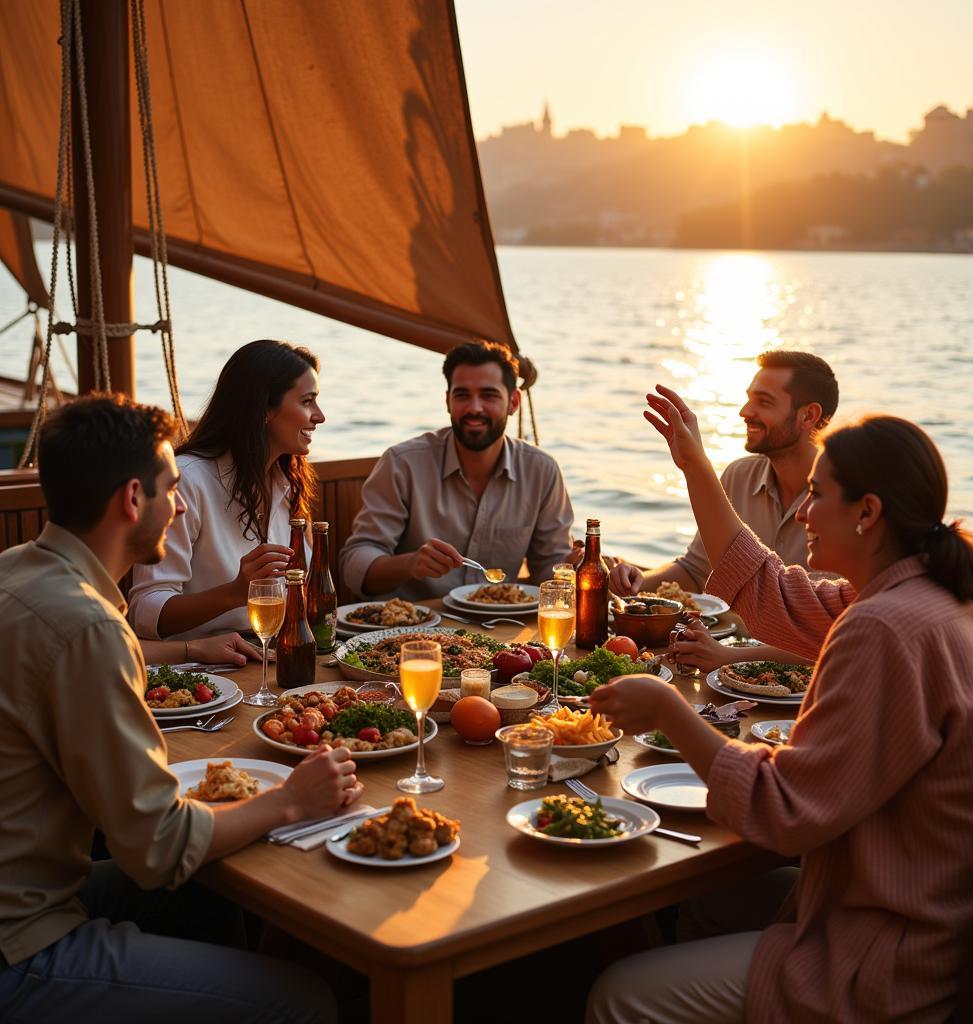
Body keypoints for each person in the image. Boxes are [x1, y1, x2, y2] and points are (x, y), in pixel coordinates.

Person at [586, 386, 973, 1023]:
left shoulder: (883, 628)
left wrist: (669, 712)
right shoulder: (954, 601)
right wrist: (695, 465)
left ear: (867, 512)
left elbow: (783, 809)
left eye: (817, 495)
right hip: (936, 907)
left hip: (896, 956)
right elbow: (765, 587)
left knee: (619, 994)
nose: (802, 515)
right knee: (711, 899)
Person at [0, 394, 362, 1020]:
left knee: (215, 894)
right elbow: (159, 846)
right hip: (23, 944)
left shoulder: (18, 571)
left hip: (36, 889)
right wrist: (292, 799)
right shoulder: (87, 626)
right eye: (173, 487)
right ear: (131, 500)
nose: (183, 503)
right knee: (305, 1002)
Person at [339, 339, 574, 601]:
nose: (474, 408)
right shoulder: (402, 463)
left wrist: (582, 567)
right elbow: (354, 564)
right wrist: (410, 564)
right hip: (411, 631)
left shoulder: (541, 470)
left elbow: (550, 568)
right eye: (462, 395)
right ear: (448, 401)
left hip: (500, 629)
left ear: (514, 402)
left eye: (489, 395)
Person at [129, 339, 325, 640]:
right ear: (264, 408)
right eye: (307, 401)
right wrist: (234, 593)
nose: (320, 416)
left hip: (270, 660)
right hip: (202, 672)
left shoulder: (290, 482)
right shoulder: (187, 481)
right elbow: (144, 612)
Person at [610, 350, 839, 597]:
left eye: (763, 402)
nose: (744, 411)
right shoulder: (739, 476)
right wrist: (637, 580)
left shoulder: (847, 496)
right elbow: (697, 571)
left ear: (808, 416)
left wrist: (695, 464)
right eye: (749, 398)